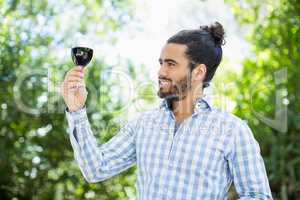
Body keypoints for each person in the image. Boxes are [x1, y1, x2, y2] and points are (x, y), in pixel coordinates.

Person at [61, 22, 273, 199]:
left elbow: (258, 195)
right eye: (161, 63)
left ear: (198, 72)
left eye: (171, 64)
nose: (161, 71)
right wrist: (77, 110)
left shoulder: (233, 130)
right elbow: (95, 168)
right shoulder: (143, 124)